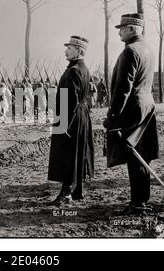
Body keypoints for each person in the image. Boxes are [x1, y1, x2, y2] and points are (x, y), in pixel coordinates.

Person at [103, 13, 159, 214]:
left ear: (133, 29)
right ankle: (141, 200)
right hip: (146, 106)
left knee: (134, 156)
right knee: (142, 155)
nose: (119, 32)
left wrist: (113, 117)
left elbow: (122, 89)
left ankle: (137, 203)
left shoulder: (130, 51)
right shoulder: (147, 49)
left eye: (122, 28)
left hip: (132, 108)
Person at [48, 35, 95, 206]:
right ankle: (78, 190)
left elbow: (70, 101)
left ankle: (66, 192)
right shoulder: (84, 69)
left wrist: (65, 124)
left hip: (72, 117)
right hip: (82, 116)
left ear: (79, 51)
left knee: (68, 154)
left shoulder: (73, 70)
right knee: (78, 153)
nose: (65, 51)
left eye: (69, 48)